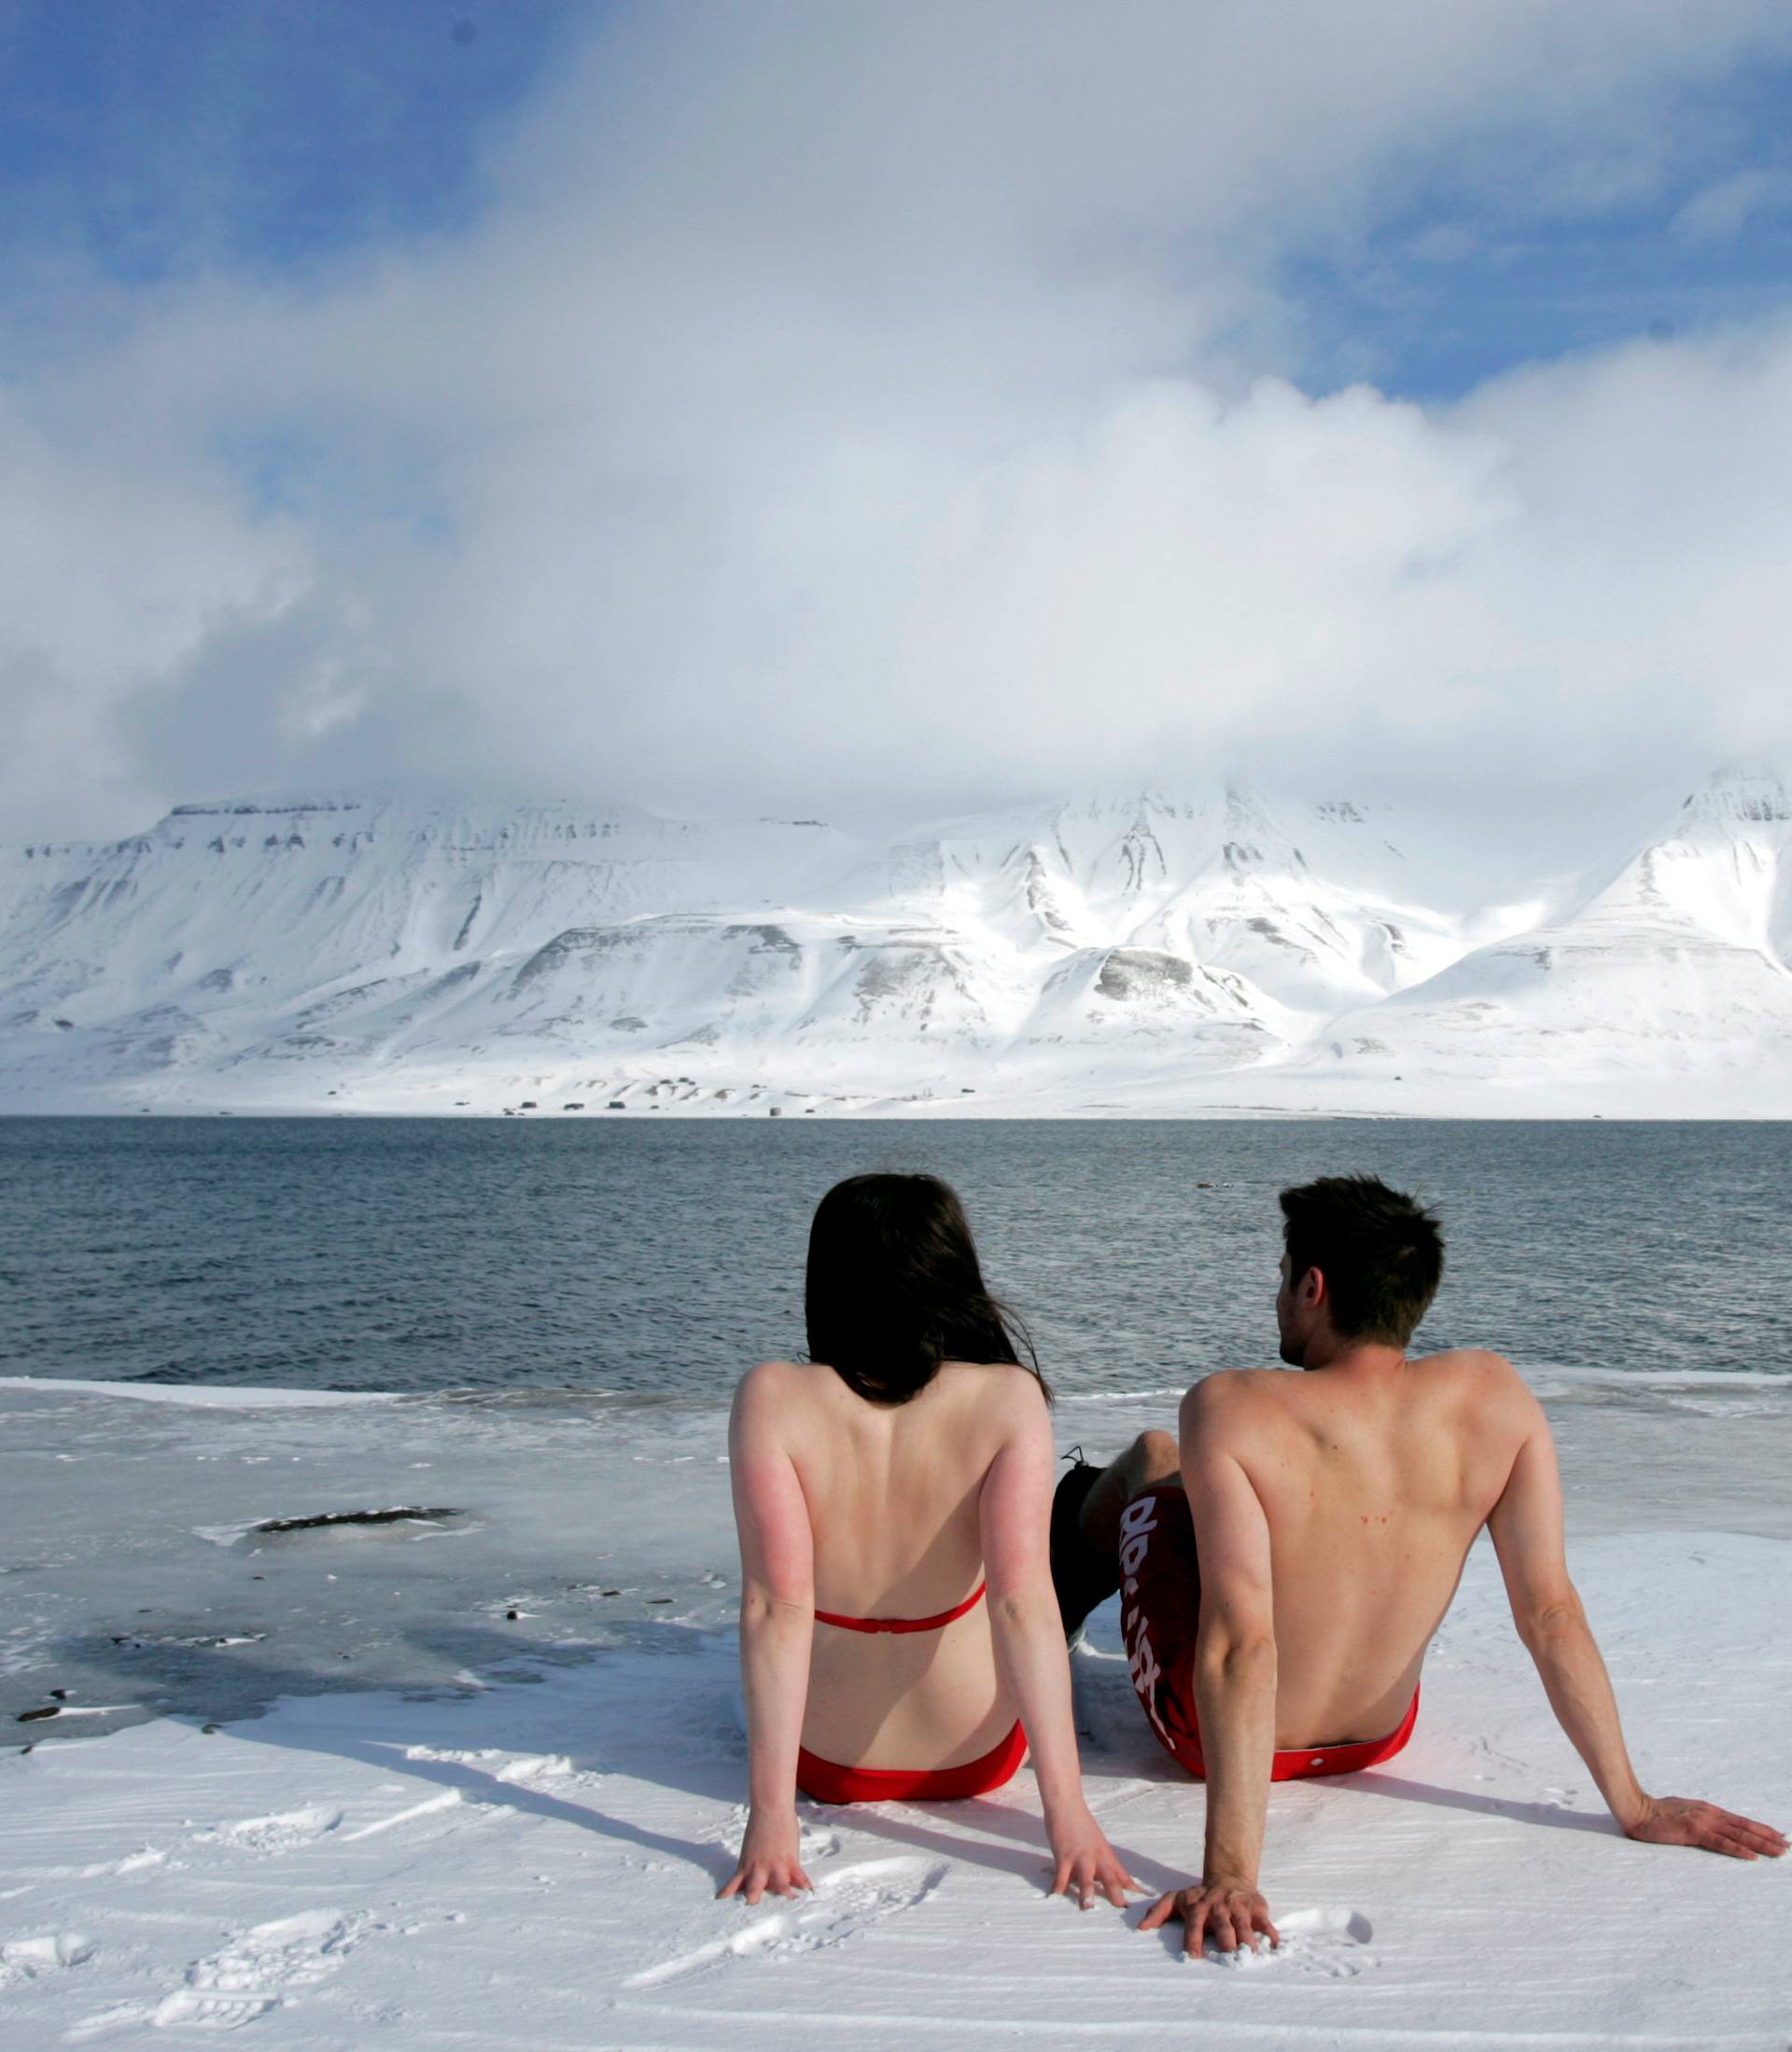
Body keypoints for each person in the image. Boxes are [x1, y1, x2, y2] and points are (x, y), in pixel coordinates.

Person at [1050, 1173, 1787, 1961]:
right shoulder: (1495, 1396)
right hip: (1378, 1735)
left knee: (1156, 1462)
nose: (1276, 1295)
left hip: (1207, 1740)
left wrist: (1231, 1871)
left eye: (1280, 1276)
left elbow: (1240, 1644)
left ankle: (1056, 1574)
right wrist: (1634, 1803)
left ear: (1312, 1286)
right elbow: (1551, 1613)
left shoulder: (1230, 1404)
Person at [720, 1172, 1135, 1912]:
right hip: (972, 1751)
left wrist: (773, 1817)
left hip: (828, 1759)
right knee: (1025, 1591)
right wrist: (1066, 1816)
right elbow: (1022, 1604)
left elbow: (774, 1607)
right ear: (951, 1274)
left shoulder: (773, 1396)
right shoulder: (1005, 1396)